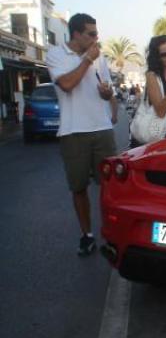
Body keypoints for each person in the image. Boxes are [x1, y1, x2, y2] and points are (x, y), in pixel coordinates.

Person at [46, 13, 116, 256]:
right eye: (91, 34)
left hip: (102, 128)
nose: (96, 38)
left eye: (97, 33)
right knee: (79, 187)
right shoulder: (56, 54)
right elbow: (66, 84)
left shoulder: (99, 58)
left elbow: (108, 94)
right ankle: (87, 235)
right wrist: (87, 60)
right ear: (76, 34)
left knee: (109, 186)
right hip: (73, 131)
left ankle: (111, 232)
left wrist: (106, 92)